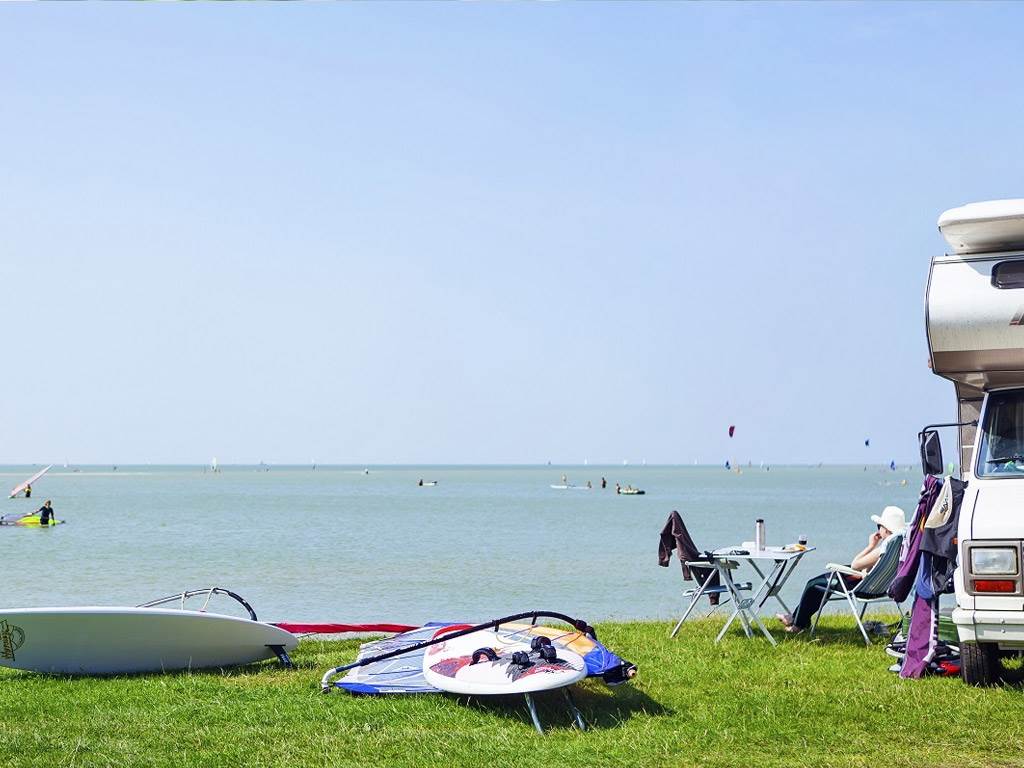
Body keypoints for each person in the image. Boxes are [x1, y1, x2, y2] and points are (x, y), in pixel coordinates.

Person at [777, 505, 907, 633]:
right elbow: (876, 568)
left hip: (863, 588)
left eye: (879, 527)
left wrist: (871, 545)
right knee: (824, 584)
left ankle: (798, 625)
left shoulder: (882, 549)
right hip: (880, 587)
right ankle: (796, 618)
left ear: (885, 530)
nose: (878, 531)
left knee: (814, 584)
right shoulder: (900, 548)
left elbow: (855, 564)